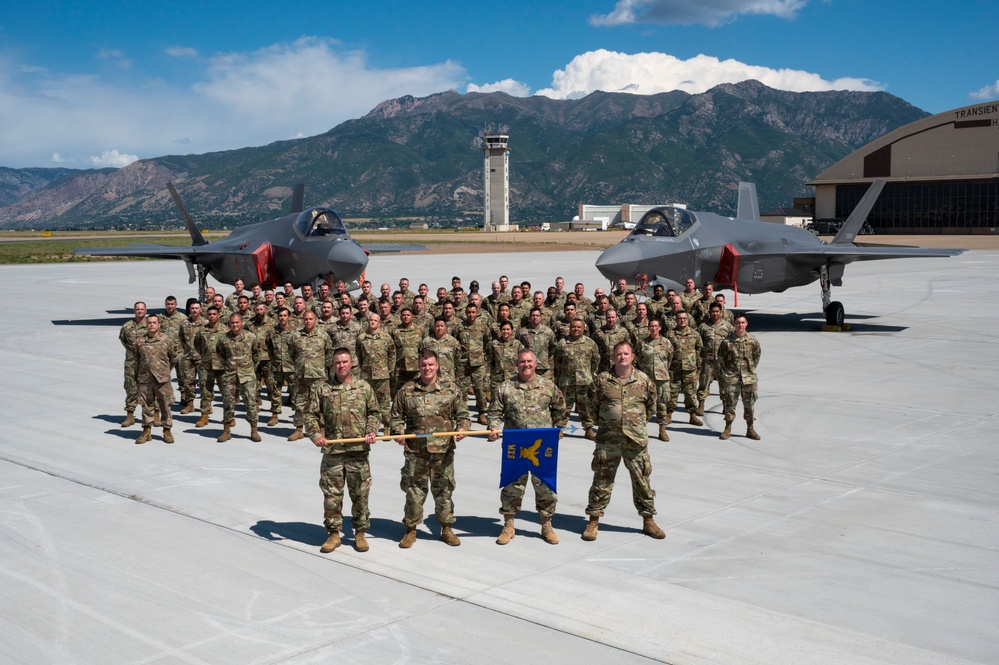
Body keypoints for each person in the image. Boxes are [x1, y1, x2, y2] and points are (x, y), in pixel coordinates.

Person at [583, 342, 666, 541]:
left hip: (635, 441)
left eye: (626, 353)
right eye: (619, 354)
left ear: (633, 356)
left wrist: (635, 423)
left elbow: (650, 407)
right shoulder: (602, 380)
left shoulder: (644, 380)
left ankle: (648, 520)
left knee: (642, 482)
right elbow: (590, 405)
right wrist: (606, 422)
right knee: (601, 481)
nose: (622, 357)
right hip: (608, 440)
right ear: (613, 357)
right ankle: (593, 520)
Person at [487, 349, 569, 545]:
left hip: (542, 446)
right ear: (517, 364)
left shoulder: (548, 386)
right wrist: (494, 427)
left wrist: (557, 430)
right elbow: (495, 412)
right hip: (516, 445)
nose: (526, 365)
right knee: (512, 485)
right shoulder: (505, 388)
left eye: (529, 361)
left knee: (545, 486)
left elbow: (561, 410)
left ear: (536, 363)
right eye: (522, 361)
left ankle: (546, 524)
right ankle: (508, 524)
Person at [390, 351, 470, 548]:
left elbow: (463, 415)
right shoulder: (407, 390)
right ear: (419, 366)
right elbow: (396, 416)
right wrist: (398, 431)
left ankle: (446, 528)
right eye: (424, 365)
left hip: (442, 452)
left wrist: (462, 429)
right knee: (414, 492)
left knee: (444, 491)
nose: (427, 368)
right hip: (416, 452)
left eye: (431, 365)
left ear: (437, 366)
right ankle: (410, 529)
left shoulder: (450, 389)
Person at [306, 349, 381, 553]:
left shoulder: (363, 387)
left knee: (360, 494)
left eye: (345, 362)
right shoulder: (322, 389)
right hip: (333, 451)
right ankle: (333, 534)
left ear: (352, 363)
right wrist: (316, 436)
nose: (341, 366)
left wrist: (371, 430)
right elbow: (311, 415)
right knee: (332, 496)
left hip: (358, 451)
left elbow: (374, 412)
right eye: (337, 362)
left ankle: (360, 532)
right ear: (332, 364)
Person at [217, 313, 261, 442]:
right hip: (229, 375)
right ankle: (226, 430)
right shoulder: (223, 339)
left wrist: (249, 368)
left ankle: (254, 430)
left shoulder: (251, 337)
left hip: (247, 375)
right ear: (229, 324)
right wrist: (228, 366)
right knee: (228, 404)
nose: (235, 325)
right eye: (232, 323)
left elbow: (257, 354)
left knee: (251, 403)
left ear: (242, 322)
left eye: (237, 322)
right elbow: (220, 354)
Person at [288, 310, 332, 441]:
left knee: (319, 404)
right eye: (306, 319)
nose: (308, 321)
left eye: (310, 319)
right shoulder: (295, 336)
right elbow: (291, 354)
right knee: (300, 403)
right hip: (301, 376)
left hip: (318, 376)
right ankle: (299, 429)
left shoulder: (323, 336)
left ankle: (322, 429)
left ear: (315, 320)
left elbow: (329, 354)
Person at [134, 314, 177, 444]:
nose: (151, 325)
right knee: (146, 405)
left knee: (165, 404)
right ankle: (146, 430)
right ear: (146, 325)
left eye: (154, 323)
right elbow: (137, 359)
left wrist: (164, 371)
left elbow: (173, 358)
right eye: (149, 323)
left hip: (162, 379)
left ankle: (167, 430)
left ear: (159, 325)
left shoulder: (166, 341)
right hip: (145, 379)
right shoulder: (140, 342)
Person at [718, 314, 762, 440]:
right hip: (732, 378)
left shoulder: (752, 341)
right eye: (738, 322)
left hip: (749, 379)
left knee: (749, 405)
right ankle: (727, 428)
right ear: (734, 324)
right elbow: (721, 359)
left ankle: (750, 429)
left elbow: (756, 357)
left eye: (742, 322)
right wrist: (728, 373)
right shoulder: (727, 342)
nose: (740, 325)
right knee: (730, 404)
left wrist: (749, 370)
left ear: (746, 324)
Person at [554, 318, 600, 440]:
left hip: (585, 381)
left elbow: (595, 360)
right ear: (570, 328)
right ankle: (559, 429)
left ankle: (589, 430)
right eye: (573, 327)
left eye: (579, 327)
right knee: (564, 407)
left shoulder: (590, 343)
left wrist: (589, 374)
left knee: (585, 407)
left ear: (583, 328)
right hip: (566, 382)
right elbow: (557, 362)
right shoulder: (562, 343)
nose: (576, 329)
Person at [355, 312, 395, 432]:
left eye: (375, 321)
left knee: (384, 403)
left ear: (379, 323)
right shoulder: (361, 338)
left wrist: (389, 369)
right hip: (367, 376)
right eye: (371, 320)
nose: (372, 322)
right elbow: (358, 355)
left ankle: (387, 426)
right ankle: (369, 428)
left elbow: (392, 354)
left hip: (382, 376)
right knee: (367, 402)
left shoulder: (386, 338)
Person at [637, 319, 674, 441]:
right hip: (646, 379)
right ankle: (640, 429)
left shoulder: (666, 343)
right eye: (651, 326)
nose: (653, 328)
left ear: (660, 328)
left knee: (662, 404)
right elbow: (638, 359)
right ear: (648, 328)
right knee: (644, 404)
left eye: (656, 326)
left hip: (662, 379)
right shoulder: (642, 343)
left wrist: (662, 371)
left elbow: (670, 359)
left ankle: (662, 430)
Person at [697, 302, 734, 416]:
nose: (715, 313)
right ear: (709, 312)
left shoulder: (727, 327)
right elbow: (698, 343)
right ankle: (701, 405)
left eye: (717, 311)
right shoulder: (703, 326)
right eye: (713, 311)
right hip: (707, 361)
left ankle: (725, 405)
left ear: (721, 312)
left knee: (724, 384)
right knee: (704, 383)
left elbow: (733, 343)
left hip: (722, 361)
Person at [666, 311, 703, 426]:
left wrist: (698, 368)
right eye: (680, 318)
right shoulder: (670, 335)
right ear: (676, 320)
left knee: (690, 394)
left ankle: (692, 415)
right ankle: (669, 414)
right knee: (672, 393)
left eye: (684, 318)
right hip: (674, 370)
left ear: (688, 320)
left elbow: (699, 350)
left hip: (690, 370)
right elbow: (665, 351)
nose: (682, 320)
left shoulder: (694, 334)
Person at [118, 301, 147, 427]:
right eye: (137, 309)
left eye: (142, 309)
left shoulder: (151, 325)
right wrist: (132, 352)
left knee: (149, 389)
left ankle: (154, 415)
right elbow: (123, 340)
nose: (139, 311)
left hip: (147, 363)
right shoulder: (127, 326)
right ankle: (130, 415)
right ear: (134, 311)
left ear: (145, 310)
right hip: (131, 363)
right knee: (131, 388)